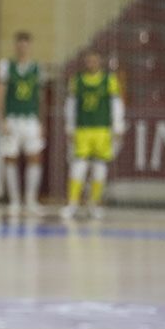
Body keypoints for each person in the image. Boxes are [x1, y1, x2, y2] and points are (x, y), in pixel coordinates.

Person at [61, 49, 125, 220]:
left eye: (94, 60)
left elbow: (116, 104)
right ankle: (72, 204)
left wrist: (118, 126)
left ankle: (93, 204)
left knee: (99, 169)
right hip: (82, 130)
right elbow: (71, 105)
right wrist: (69, 127)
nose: (91, 63)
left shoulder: (109, 80)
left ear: (100, 61)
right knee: (78, 168)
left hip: (102, 130)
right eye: (89, 60)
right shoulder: (77, 81)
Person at [0, 31, 44, 215]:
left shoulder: (37, 68)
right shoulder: (6, 66)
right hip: (12, 118)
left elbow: (39, 97)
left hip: (31, 119)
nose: (22, 47)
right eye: (19, 44)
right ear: (15, 46)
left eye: (26, 44)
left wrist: (41, 121)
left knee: (34, 157)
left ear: (30, 46)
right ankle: (14, 200)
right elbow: (0, 94)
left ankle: (31, 199)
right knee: (10, 157)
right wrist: (1, 119)